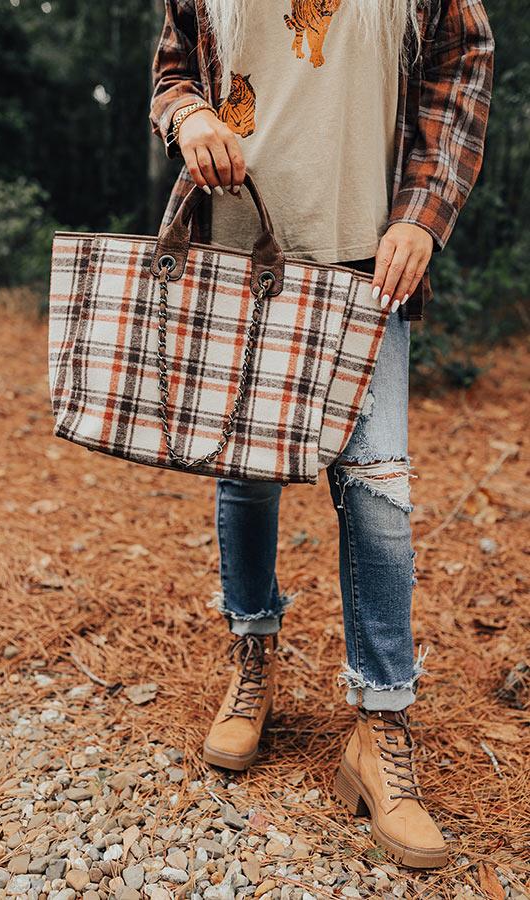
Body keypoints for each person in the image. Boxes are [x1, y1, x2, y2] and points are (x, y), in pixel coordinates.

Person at [150, 0, 494, 870]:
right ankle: (253, 660)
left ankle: (382, 725)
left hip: (365, 259)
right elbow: (172, 74)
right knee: (246, 474)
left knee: (378, 490)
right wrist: (188, 115)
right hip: (239, 247)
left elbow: (462, 66)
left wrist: (422, 212)